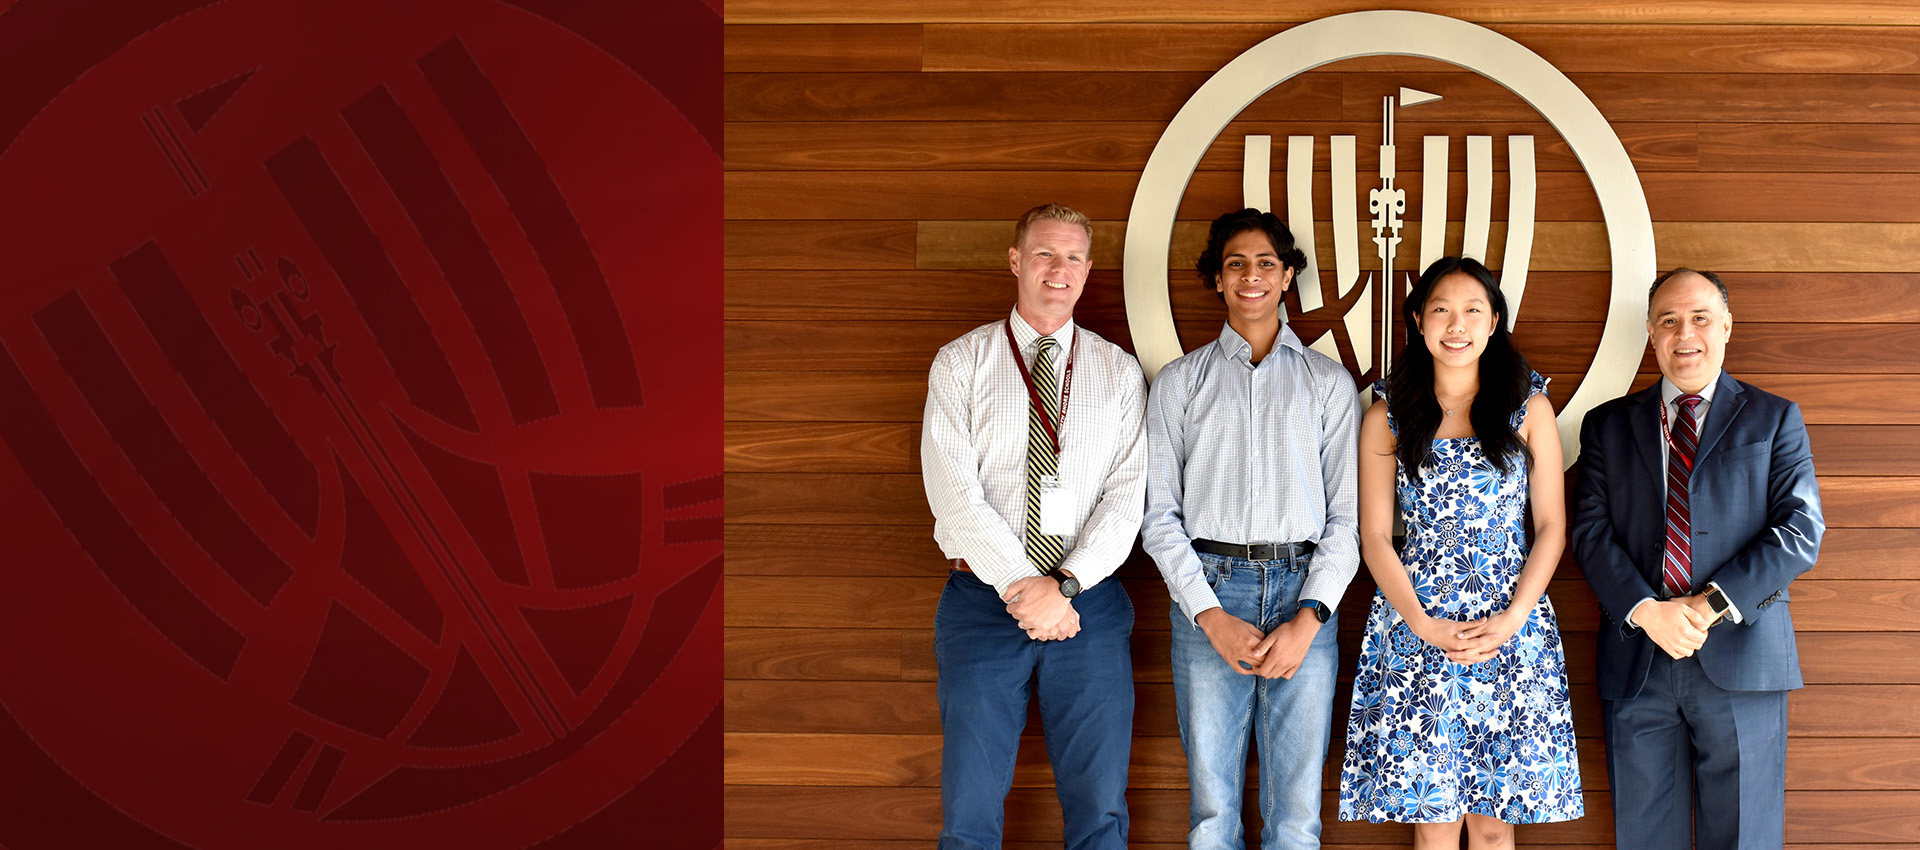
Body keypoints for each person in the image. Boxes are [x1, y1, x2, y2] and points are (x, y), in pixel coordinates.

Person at [920, 202, 1148, 850]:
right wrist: (1026, 586)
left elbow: (1127, 499)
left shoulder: (1119, 372)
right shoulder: (961, 363)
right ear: (1016, 260)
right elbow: (954, 495)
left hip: (1090, 606)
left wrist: (1065, 585)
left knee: (1100, 810)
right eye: (1045, 253)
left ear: (1088, 269)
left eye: (1074, 256)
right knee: (969, 812)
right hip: (981, 603)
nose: (1060, 269)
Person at [1572, 268, 1824, 849]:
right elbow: (1590, 530)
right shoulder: (1608, 425)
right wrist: (1647, 610)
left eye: (1700, 318)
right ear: (1651, 335)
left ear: (1727, 326)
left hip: (1743, 656)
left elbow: (1801, 528)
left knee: (1744, 838)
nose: (1685, 333)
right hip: (1638, 659)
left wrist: (1707, 606)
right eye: (1668, 320)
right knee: (1645, 837)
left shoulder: (1773, 417)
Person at [1338, 256, 1584, 846]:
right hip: (1416, 623)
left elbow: (1551, 525)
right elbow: (1375, 537)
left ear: (1495, 321)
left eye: (1473, 310)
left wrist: (1515, 618)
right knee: (1436, 828)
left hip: (1509, 620)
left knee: (1495, 829)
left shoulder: (1529, 408)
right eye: (1442, 309)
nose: (1457, 324)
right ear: (1419, 320)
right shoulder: (1388, 415)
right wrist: (1420, 621)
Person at [1142, 208, 1360, 850]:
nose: (1252, 276)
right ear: (1216, 279)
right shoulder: (1180, 383)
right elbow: (1159, 519)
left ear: (1288, 276)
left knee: (1296, 814)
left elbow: (1347, 519)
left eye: (1267, 263)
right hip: (1208, 590)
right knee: (1212, 812)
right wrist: (1209, 614)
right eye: (1236, 263)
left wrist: (1311, 616)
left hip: (1304, 592)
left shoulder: (1328, 383)